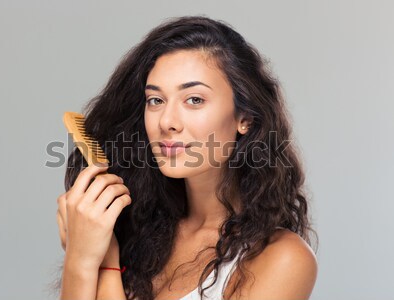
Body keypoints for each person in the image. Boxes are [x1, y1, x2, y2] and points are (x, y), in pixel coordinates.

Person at [55, 15, 318, 300]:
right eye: (156, 100)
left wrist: (96, 261)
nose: (167, 121)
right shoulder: (140, 232)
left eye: (194, 100)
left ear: (245, 118)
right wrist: (83, 259)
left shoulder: (282, 258)